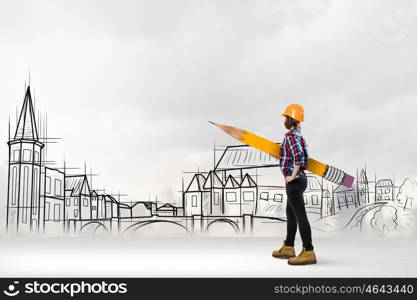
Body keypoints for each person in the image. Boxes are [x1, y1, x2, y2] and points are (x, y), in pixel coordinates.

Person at [272, 104, 317, 265]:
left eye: (285, 117)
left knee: (300, 216)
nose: (283, 120)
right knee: (291, 215)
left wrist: (292, 176)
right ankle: (289, 247)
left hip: (295, 181)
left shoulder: (291, 136)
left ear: (290, 119)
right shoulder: (299, 136)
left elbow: (298, 156)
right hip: (301, 179)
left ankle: (309, 251)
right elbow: (299, 155)